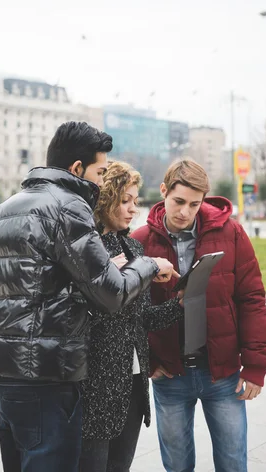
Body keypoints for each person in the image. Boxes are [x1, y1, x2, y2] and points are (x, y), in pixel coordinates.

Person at [0, 121, 174, 472]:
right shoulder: (68, 206)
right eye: (100, 171)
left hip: (2, 380)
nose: (100, 182)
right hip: (49, 383)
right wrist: (150, 264)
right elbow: (111, 293)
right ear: (77, 169)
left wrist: (8, 345)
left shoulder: (0, 211)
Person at [132, 158, 266, 472]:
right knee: (177, 466)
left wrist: (255, 364)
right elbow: (128, 314)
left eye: (195, 204)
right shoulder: (140, 241)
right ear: (164, 191)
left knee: (233, 463)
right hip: (169, 374)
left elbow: (252, 300)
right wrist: (149, 361)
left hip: (222, 373)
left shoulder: (231, 233)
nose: (185, 212)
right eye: (178, 201)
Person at [79, 161, 184, 472]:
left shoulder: (137, 249)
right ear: (105, 198)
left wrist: (179, 305)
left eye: (135, 201)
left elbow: (141, 319)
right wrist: (111, 276)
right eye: (124, 200)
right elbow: (84, 315)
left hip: (135, 383)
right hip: (95, 385)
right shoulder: (86, 247)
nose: (132, 209)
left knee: (120, 466)